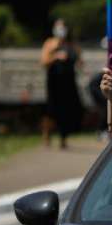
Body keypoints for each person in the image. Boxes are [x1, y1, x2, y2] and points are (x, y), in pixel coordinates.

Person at [40, 19, 85, 149]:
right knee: (51, 110)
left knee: (67, 111)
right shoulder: (50, 43)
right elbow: (43, 62)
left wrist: (78, 60)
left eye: (63, 27)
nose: (61, 30)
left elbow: (80, 62)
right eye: (58, 27)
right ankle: (47, 134)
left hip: (68, 81)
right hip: (54, 81)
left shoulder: (72, 45)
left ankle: (63, 138)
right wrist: (56, 56)